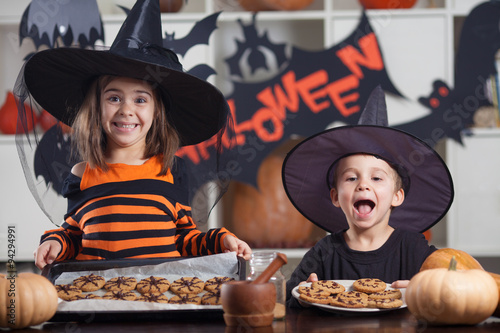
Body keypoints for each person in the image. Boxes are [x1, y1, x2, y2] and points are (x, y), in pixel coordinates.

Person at [14, 0, 251, 269]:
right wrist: (55, 242)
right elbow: (73, 234)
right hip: (97, 293)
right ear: (96, 107)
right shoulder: (83, 174)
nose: (126, 110)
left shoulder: (171, 171)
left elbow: (185, 238)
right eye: (114, 98)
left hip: (161, 294)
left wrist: (220, 240)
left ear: (157, 112)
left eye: (140, 100)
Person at [281, 86, 454, 307]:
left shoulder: (414, 248)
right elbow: (285, 303)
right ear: (335, 197)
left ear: (397, 196)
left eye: (377, 178)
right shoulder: (324, 251)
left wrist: (424, 290)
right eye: (351, 178)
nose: (363, 185)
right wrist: (302, 298)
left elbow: (453, 287)